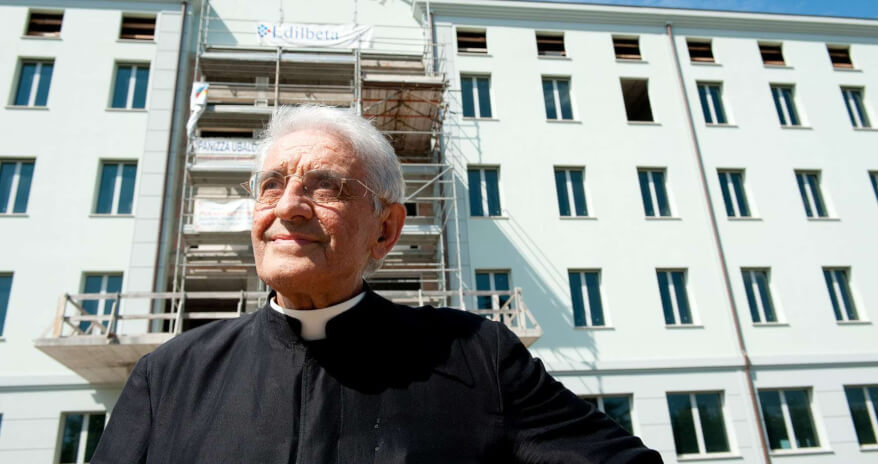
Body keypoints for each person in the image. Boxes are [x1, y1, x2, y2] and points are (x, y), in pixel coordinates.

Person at [92, 105, 663, 463]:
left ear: (385, 229)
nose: (288, 207)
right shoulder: (169, 374)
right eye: (271, 185)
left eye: (325, 187)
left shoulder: (477, 358)